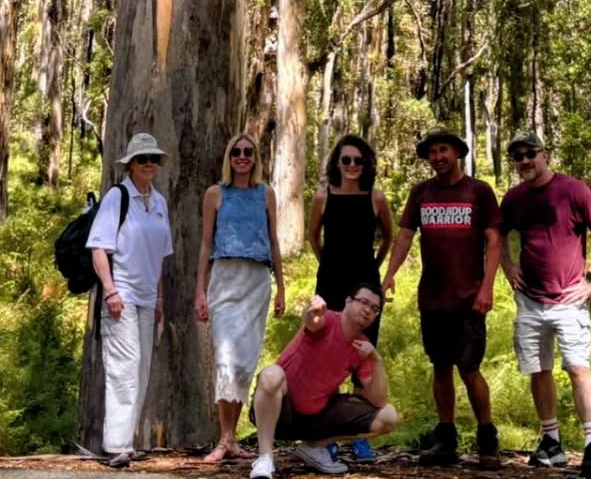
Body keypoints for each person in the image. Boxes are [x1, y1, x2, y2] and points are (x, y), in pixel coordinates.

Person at [382, 126, 502, 469]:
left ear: (457, 152)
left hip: (469, 299)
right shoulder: (421, 193)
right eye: (433, 152)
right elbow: (404, 237)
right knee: (440, 367)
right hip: (432, 298)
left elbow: (494, 240)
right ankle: (446, 440)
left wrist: (487, 286)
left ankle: (487, 440)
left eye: (444, 150)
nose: (438, 157)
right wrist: (390, 274)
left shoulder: (479, 192)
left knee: (470, 368)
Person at [498, 130, 591, 479]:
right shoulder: (515, 198)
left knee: (578, 369)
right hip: (531, 300)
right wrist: (507, 265)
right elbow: (499, 234)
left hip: (569, 299)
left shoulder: (572, 190)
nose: (524, 162)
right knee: (539, 369)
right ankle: (552, 441)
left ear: (544, 154)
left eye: (529, 154)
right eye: (517, 157)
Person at [195, 133, 287, 462]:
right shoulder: (215, 194)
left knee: (245, 361)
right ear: (229, 157)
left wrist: (281, 287)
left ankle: (232, 438)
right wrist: (200, 292)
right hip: (224, 279)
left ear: (256, 158)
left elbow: (274, 241)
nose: (243, 157)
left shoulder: (266, 194)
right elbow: (206, 244)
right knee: (224, 358)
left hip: (256, 281)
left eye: (248, 152)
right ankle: (224, 438)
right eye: (237, 152)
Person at [88, 131, 174, 470]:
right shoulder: (117, 197)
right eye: (142, 159)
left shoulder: (160, 203)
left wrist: (160, 301)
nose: (149, 164)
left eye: (153, 159)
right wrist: (110, 290)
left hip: (147, 298)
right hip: (120, 295)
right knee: (123, 369)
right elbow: (98, 247)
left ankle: (128, 441)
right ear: (131, 164)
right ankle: (117, 445)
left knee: (141, 369)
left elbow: (160, 259)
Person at [249, 290, 400, 479]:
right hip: (279, 412)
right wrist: (311, 310)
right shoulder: (327, 319)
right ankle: (265, 458)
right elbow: (311, 321)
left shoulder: (363, 346)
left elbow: (379, 401)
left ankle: (313, 448)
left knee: (389, 416)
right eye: (364, 302)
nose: (368, 310)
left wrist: (376, 360)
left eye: (374, 308)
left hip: (316, 418)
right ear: (348, 300)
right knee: (271, 374)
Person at [308, 134, 394, 346]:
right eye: (346, 160)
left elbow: (388, 237)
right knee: (326, 345)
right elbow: (313, 236)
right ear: (337, 163)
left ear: (366, 164)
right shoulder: (322, 197)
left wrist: (374, 265)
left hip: (366, 283)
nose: (352, 165)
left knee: (363, 348)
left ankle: (361, 380)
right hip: (330, 281)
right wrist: (326, 261)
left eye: (358, 160)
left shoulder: (376, 198)